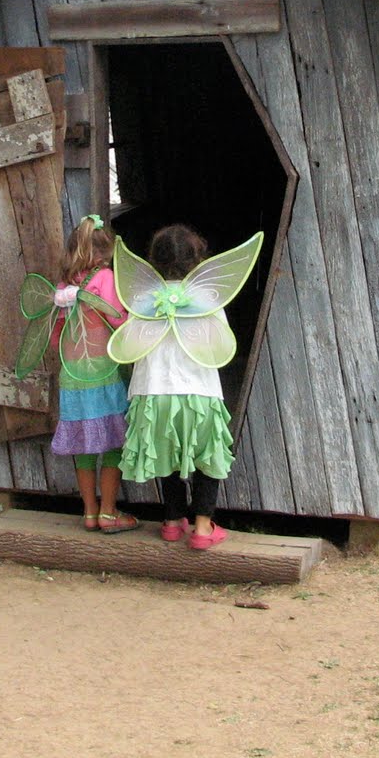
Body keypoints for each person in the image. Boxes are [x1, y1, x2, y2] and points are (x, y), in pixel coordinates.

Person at [111, 224, 263, 551]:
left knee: (166, 454)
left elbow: (131, 344)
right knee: (208, 455)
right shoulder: (207, 298)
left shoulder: (143, 299)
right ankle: (203, 528)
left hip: (153, 392)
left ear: (154, 258)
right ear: (197, 258)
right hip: (199, 391)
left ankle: (171, 521)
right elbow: (220, 345)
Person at [38, 214, 138, 534]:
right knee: (114, 442)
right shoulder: (105, 278)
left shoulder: (63, 286)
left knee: (83, 445)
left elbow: (55, 337)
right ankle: (109, 512)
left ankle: (90, 513)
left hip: (73, 378)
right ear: (102, 254)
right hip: (104, 373)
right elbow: (119, 320)